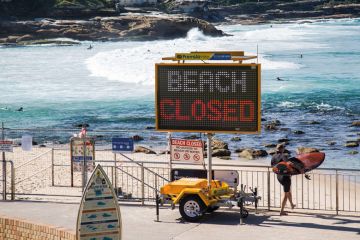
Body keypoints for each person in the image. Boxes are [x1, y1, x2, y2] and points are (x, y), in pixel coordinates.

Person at [271, 143, 296, 215]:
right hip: (285, 177)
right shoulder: (284, 156)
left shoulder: (273, 156)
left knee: (288, 191)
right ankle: (281, 211)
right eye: (283, 148)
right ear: (282, 149)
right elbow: (288, 164)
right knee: (286, 193)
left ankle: (291, 205)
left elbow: (273, 166)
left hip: (279, 176)